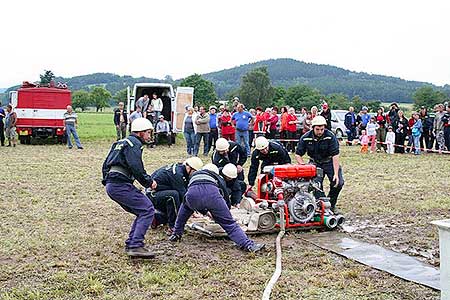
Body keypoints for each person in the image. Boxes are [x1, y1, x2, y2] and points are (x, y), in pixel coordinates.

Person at [168, 164, 265, 253]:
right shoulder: (217, 177)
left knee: (183, 211)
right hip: (212, 195)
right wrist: (225, 211)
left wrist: (204, 212)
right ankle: (248, 245)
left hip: (192, 196)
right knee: (229, 224)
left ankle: (176, 234)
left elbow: (197, 193)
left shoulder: (195, 174)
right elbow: (224, 195)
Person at [101, 118, 157, 258]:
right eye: (148, 132)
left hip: (112, 184)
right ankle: (135, 245)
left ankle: (131, 243)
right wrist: (149, 182)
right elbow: (136, 166)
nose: (149, 136)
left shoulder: (120, 142)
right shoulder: (134, 144)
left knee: (141, 211)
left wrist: (107, 181)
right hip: (120, 185)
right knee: (147, 209)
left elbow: (105, 164)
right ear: (140, 132)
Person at [295, 116, 344, 213]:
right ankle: (322, 205)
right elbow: (298, 154)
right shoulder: (305, 138)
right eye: (317, 129)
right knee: (315, 185)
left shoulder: (330, 137)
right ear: (312, 127)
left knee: (338, 183)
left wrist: (335, 173)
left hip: (329, 162)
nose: (320, 131)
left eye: (322, 129)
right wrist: (303, 166)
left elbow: (335, 155)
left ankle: (331, 204)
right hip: (315, 163)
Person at [148, 157, 203, 235]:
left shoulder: (182, 170)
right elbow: (184, 195)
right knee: (174, 196)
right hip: (152, 195)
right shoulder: (177, 174)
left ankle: (157, 219)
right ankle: (173, 227)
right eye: (194, 172)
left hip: (162, 192)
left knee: (175, 204)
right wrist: (194, 212)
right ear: (189, 167)